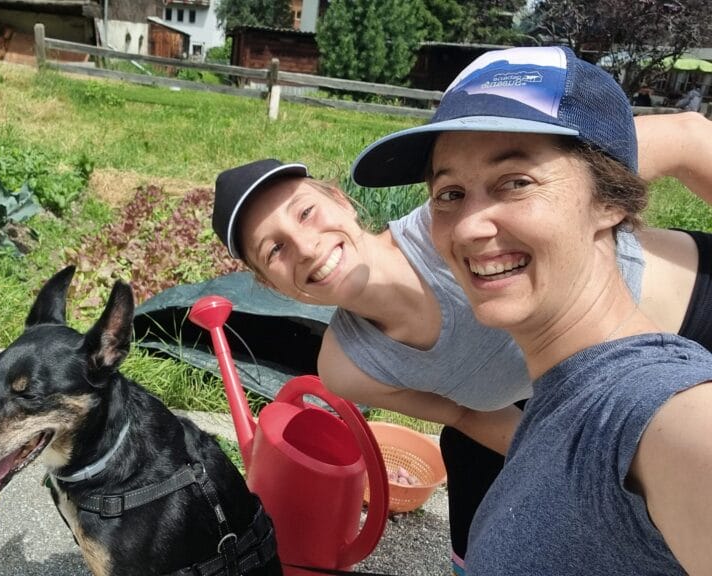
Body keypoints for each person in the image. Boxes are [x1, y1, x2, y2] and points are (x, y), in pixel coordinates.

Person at [211, 102, 712, 575]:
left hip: (694, 311)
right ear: (268, 283)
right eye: (274, 249)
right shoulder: (350, 366)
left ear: (341, 200)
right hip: (579, 398)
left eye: (305, 213)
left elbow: (689, 137)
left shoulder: (465, 213)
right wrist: (566, 472)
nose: (305, 245)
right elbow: (466, 414)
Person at [349, 45, 712, 574]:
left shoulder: (662, 417)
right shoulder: (559, 400)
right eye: (449, 193)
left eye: (515, 182)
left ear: (611, 200)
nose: (470, 226)